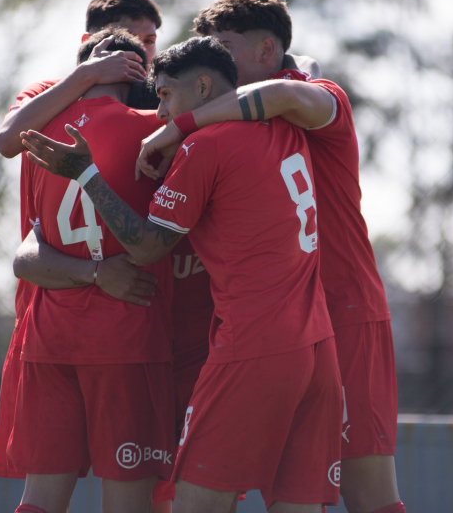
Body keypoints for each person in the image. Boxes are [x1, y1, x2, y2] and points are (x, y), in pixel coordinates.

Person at [21, 37, 341, 513]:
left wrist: (87, 175)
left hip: (252, 347)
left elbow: (147, 247)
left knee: (194, 503)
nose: (161, 110)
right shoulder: (286, 122)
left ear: (205, 85)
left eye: (167, 95)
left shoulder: (208, 144)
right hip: (318, 347)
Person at [136, 0, 406, 513]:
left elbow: (282, 94)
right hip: (280, 327)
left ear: (266, 50)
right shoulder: (234, 122)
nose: (219, 62)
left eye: (228, 47)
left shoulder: (313, 96)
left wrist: (177, 128)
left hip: (343, 312)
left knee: (368, 494)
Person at [0, 0, 167, 485]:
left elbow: (26, 254)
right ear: (94, 46)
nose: (147, 53)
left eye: (153, 40)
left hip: (60, 310)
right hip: (111, 321)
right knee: (135, 488)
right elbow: (5, 140)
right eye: (137, 42)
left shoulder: (145, 109)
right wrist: (87, 75)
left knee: (46, 490)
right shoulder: (56, 98)